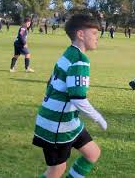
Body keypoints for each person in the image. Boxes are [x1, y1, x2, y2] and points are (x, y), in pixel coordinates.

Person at [32, 14, 107, 178]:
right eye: (94, 33)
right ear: (80, 34)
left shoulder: (68, 53)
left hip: (68, 122)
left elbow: (50, 82)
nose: (97, 38)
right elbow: (78, 99)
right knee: (56, 170)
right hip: (56, 126)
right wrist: (98, 117)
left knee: (92, 153)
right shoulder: (79, 60)